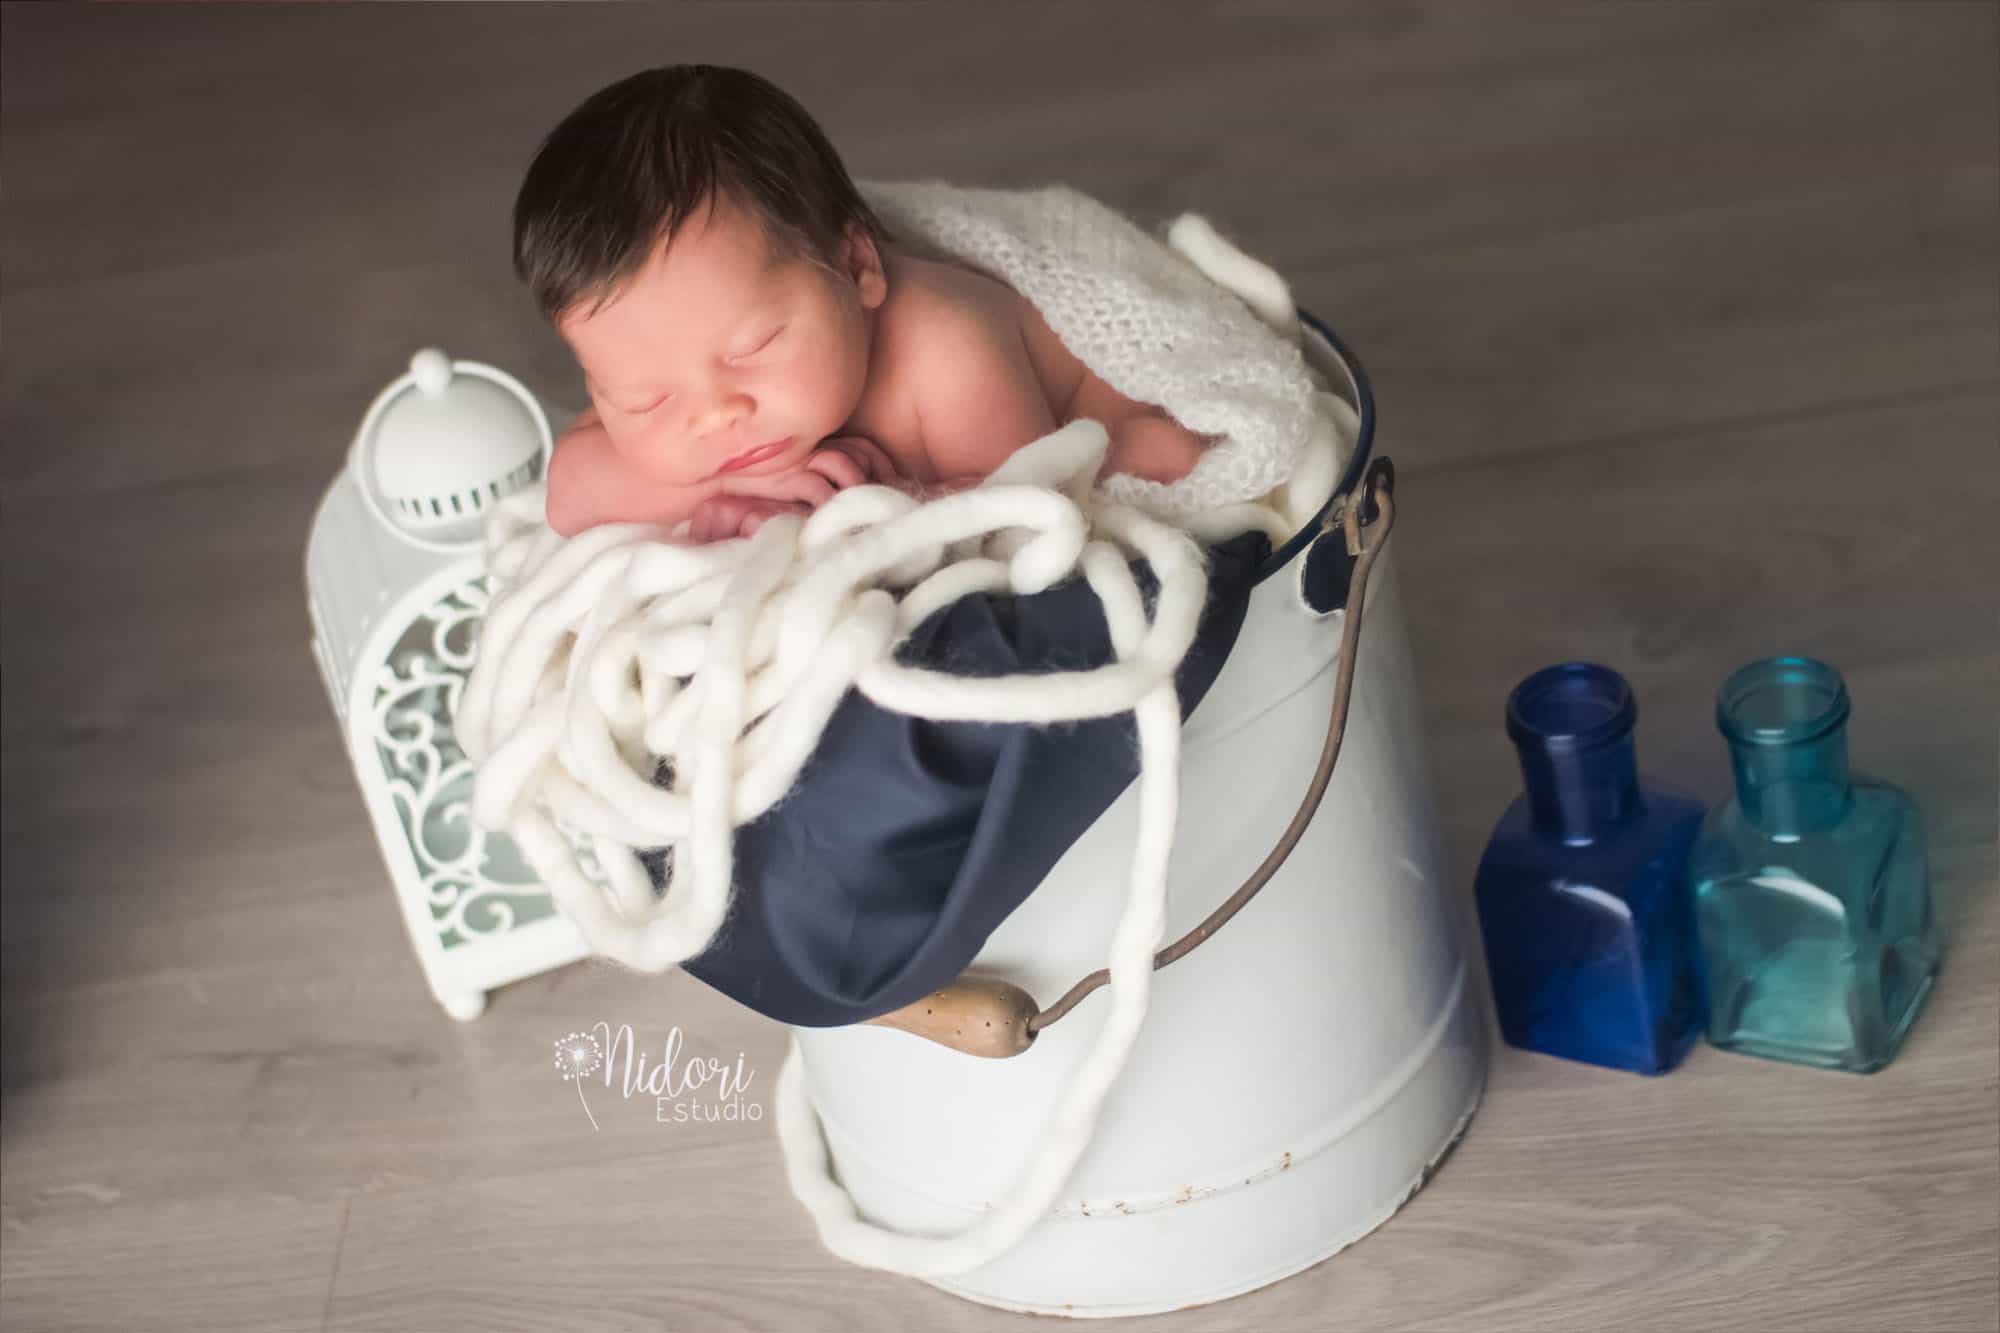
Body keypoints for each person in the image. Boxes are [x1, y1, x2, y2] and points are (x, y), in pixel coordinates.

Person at [512, 64, 1212, 542]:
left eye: (752, 348)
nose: (714, 412)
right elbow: (570, 491)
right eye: (642, 400)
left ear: (855, 265)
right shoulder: (677, 354)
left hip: (1079, 408)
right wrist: (745, 491)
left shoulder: (943, 349)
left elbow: (1024, 509)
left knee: (1163, 451)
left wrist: (879, 505)